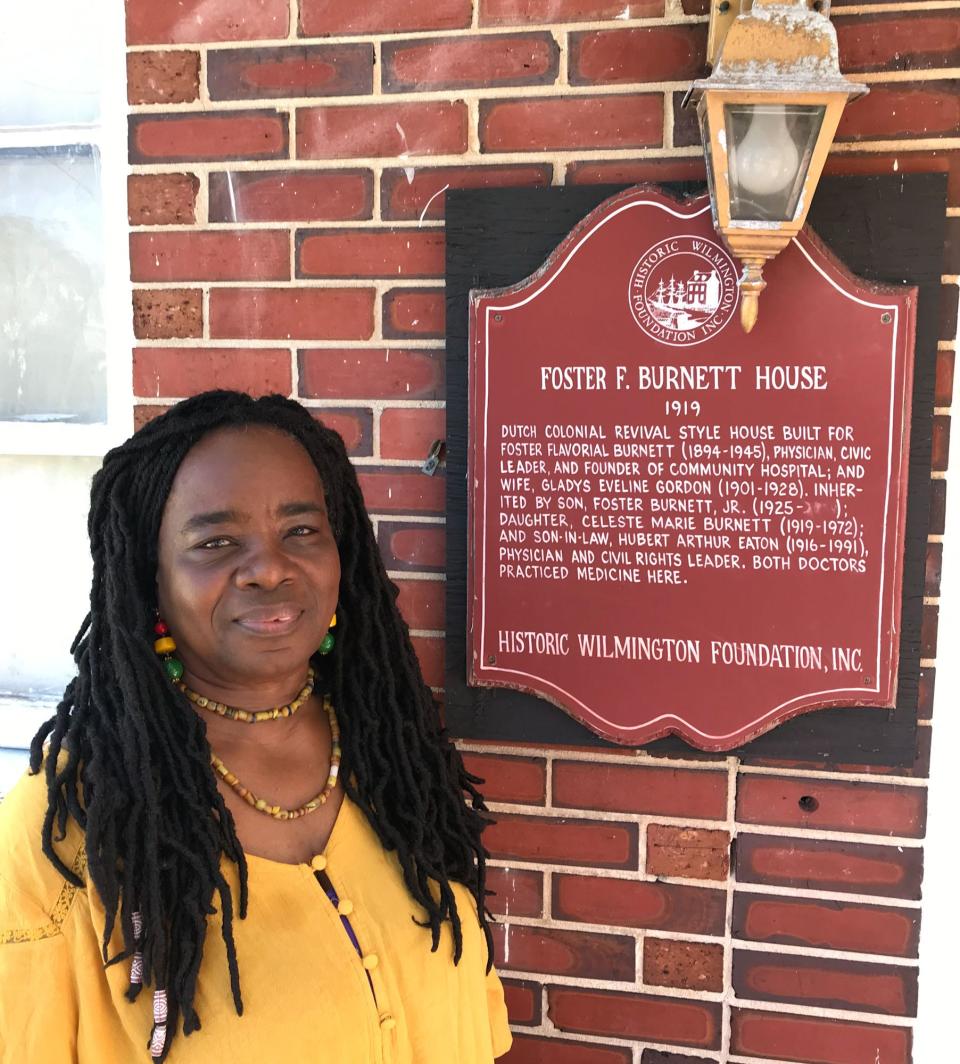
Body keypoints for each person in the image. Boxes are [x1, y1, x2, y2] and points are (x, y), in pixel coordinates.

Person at [0, 391, 512, 1062]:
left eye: (301, 531)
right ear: (148, 579)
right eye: (215, 542)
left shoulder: (396, 763)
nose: (271, 568)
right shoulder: (71, 830)